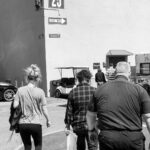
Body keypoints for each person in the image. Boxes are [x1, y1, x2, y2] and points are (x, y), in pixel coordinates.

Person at [86, 61, 150, 150]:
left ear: (115, 73)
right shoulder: (140, 90)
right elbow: (148, 117)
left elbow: (90, 115)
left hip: (108, 139)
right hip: (133, 140)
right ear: (129, 73)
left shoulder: (100, 90)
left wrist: (91, 132)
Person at [13, 64, 51, 150]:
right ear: (37, 78)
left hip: (23, 123)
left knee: (27, 147)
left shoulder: (20, 90)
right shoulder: (40, 91)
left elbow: (15, 105)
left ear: (27, 77)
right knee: (38, 146)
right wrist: (48, 120)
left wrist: (16, 98)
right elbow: (44, 108)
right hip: (36, 123)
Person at [64, 69, 98, 150]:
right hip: (92, 125)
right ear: (89, 79)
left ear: (78, 80)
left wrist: (67, 125)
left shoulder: (72, 92)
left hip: (78, 126)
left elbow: (69, 111)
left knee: (80, 146)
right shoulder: (95, 91)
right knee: (93, 146)